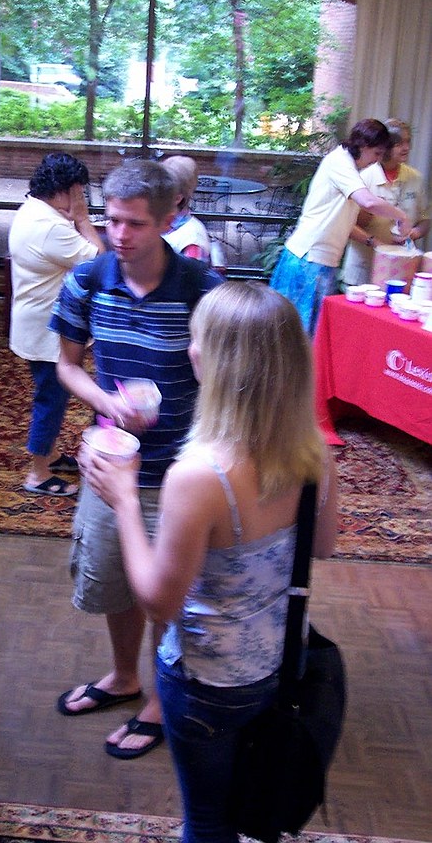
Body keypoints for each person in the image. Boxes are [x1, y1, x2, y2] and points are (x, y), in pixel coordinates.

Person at [81, 281, 338, 842]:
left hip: (205, 680)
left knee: (207, 822)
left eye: (196, 340)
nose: (189, 349)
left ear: (211, 361)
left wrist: (125, 500)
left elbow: (159, 601)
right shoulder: (313, 449)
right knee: (247, 804)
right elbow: (322, 546)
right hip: (275, 662)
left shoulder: (200, 475)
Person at [50, 158, 223, 759]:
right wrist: (107, 404)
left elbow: (225, 383)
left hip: (179, 476)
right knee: (117, 585)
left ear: (171, 218)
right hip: (111, 467)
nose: (119, 236)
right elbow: (68, 365)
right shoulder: (88, 281)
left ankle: (158, 697)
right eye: (111, 220)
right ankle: (125, 676)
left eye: (136, 225)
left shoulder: (205, 291)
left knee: (165, 595)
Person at [9, 152, 105, 496]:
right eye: (80, 192)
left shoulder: (35, 211)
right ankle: (37, 474)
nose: (82, 200)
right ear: (64, 191)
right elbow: (101, 262)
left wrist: (72, 214)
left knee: (52, 395)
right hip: (46, 331)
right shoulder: (50, 227)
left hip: (36, 323)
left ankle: (48, 454)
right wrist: (82, 218)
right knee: (50, 398)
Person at [270, 118, 412, 334]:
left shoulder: (348, 167)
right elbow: (369, 202)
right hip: (309, 259)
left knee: (307, 336)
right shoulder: (340, 162)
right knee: (295, 335)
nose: (375, 161)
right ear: (363, 146)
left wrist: (374, 242)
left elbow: (342, 221)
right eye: (375, 154)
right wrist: (401, 216)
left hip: (319, 260)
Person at [341, 118, 429, 286]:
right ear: (385, 146)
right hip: (364, 269)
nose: (406, 148)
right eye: (399, 143)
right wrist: (376, 243)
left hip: (400, 270)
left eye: (408, 142)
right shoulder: (363, 177)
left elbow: (425, 218)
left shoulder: (416, 178)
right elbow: (348, 225)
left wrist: (414, 233)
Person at [161, 154, 212, 262]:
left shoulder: (192, 239)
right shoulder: (159, 223)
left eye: (159, 191)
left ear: (177, 198)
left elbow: (192, 277)